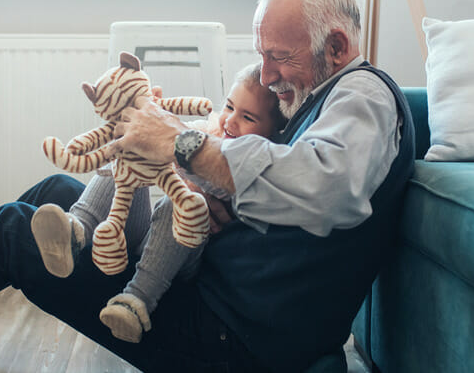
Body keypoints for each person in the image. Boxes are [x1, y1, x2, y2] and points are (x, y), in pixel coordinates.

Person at [0, 0, 415, 372]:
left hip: (235, 335)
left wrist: (183, 148)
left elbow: (327, 188)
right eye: (261, 54)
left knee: (12, 233)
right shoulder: (320, 96)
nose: (266, 72)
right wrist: (210, 187)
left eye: (279, 56)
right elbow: (284, 180)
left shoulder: (363, 93)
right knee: (54, 194)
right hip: (211, 282)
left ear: (338, 46)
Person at [30, 62, 286, 344]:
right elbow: (170, 136)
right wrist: (151, 125)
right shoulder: (210, 130)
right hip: (147, 240)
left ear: (271, 134)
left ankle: (136, 300)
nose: (229, 121)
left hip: (181, 258)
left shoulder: (251, 169)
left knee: (178, 205)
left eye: (248, 117)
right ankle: (75, 229)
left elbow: (219, 187)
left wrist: (192, 176)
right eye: (229, 106)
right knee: (129, 154)